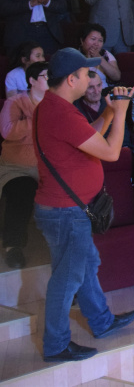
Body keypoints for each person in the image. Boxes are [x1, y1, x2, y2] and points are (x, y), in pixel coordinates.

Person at [33, 48, 134, 362]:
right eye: (87, 73)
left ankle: (102, 321)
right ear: (71, 79)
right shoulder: (60, 111)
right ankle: (55, 344)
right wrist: (121, 112)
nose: (92, 78)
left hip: (67, 209)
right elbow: (110, 152)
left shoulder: (54, 106)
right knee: (67, 281)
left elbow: (87, 138)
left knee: (86, 267)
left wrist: (107, 113)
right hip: (66, 211)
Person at [0, 62, 48, 268]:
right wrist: (36, 118)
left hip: (47, 166)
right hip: (17, 166)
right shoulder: (15, 103)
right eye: (46, 76)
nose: (51, 79)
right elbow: (7, 131)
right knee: (22, 190)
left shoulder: (56, 103)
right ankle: (13, 245)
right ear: (32, 81)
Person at [78, 23, 120, 89]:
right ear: (82, 40)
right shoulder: (74, 55)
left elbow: (116, 77)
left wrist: (99, 58)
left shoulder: (106, 54)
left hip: (105, 93)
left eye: (100, 40)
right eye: (93, 39)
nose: (96, 44)